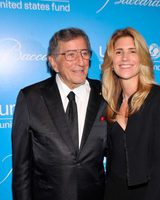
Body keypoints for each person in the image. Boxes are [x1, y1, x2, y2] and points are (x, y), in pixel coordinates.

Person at [12, 27, 107, 200]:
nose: (80, 61)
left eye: (84, 53)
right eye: (70, 54)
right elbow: (21, 169)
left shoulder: (106, 94)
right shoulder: (31, 98)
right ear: (53, 62)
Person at [101, 27, 160, 200]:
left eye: (132, 51)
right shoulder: (108, 103)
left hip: (147, 194)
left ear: (142, 58)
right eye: (119, 52)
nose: (125, 58)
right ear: (111, 61)